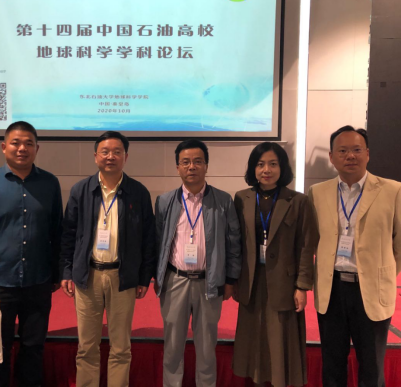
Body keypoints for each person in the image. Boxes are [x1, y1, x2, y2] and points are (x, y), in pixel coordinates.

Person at [0, 121, 63, 387]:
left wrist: (57, 273)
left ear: (37, 148)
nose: (22, 148)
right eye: (16, 143)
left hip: (38, 282)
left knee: (33, 348)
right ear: (3, 146)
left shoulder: (50, 183)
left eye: (29, 143)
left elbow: (57, 231)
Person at [60, 130, 156, 387]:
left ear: (126, 156)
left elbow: (148, 238)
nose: (110, 156)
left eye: (117, 152)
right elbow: (68, 234)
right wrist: (67, 271)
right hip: (88, 275)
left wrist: (144, 277)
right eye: (105, 151)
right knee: (86, 346)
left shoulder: (138, 192)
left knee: (121, 347)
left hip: (122, 277)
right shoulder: (81, 190)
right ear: (95, 156)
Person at [309, 126, 401, 387]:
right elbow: (313, 240)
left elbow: (399, 244)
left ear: (367, 154)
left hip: (371, 290)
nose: (350, 156)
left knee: (372, 369)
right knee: (332, 366)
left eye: (357, 149)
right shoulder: (317, 192)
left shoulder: (393, 190)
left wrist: (381, 273)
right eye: (343, 151)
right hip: (332, 290)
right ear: (331, 157)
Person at [154, 139, 242, 387]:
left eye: (197, 161)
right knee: (172, 347)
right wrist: (156, 277)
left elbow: (234, 243)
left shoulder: (223, 201)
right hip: (175, 281)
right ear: (177, 167)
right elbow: (157, 242)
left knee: (206, 348)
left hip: (209, 282)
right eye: (185, 162)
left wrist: (231, 279)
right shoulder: (164, 201)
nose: (191, 167)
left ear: (206, 166)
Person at [232, 142, 317, 387]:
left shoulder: (298, 201)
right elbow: (235, 242)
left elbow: (306, 245)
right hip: (251, 279)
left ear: (282, 168)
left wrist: (302, 286)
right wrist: (233, 279)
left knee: (280, 339)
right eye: (260, 164)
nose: (266, 170)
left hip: (284, 282)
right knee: (254, 336)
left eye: (272, 164)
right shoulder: (242, 198)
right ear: (253, 168)